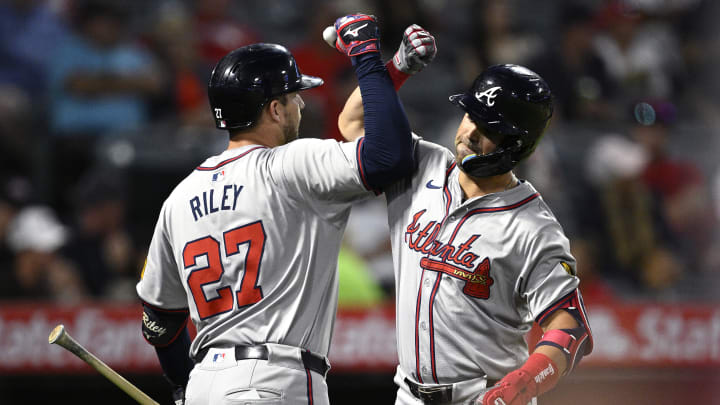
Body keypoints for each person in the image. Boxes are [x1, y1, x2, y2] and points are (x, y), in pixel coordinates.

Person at [136, 14, 423, 405]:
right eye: (293, 96)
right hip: (272, 381)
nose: (301, 103)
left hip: (206, 380)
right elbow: (390, 156)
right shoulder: (288, 165)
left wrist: (182, 386)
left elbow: (159, 322)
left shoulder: (180, 197)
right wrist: (366, 54)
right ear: (274, 109)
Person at [337, 31, 594, 405]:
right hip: (408, 395)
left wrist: (524, 383)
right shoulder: (419, 166)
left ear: (517, 144)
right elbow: (353, 124)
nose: (470, 133)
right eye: (470, 115)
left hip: (484, 396)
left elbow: (571, 329)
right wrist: (397, 67)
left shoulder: (533, 227)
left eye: (488, 128)